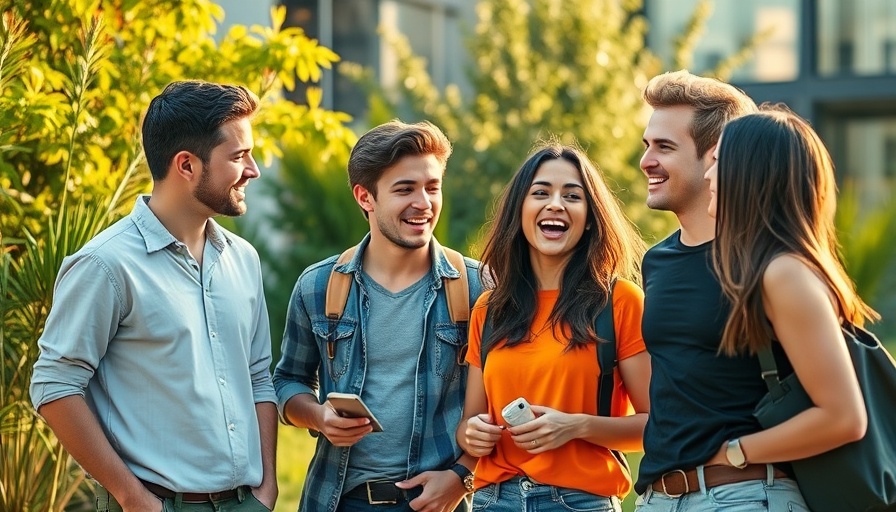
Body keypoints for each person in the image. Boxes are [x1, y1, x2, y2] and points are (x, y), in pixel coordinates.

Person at [30, 80, 278, 512]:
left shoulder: (244, 259)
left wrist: (267, 490)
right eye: (239, 156)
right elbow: (54, 386)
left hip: (247, 503)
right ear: (186, 165)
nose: (253, 169)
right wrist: (132, 497)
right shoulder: (106, 265)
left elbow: (258, 376)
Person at [273, 120, 483, 512]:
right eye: (405, 189)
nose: (424, 203)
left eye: (432, 187)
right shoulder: (317, 287)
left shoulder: (478, 288)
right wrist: (319, 417)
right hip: (337, 501)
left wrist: (461, 478)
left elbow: (501, 404)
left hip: (436, 502)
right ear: (365, 197)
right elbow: (287, 381)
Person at [634, 71, 809, 510]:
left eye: (665, 147)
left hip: (744, 494)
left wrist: (736, 452)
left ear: (715, 157)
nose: (646, 161)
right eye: (647, 145)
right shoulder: (656, 261)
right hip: (659, 498)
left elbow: (839, 411)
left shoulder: (767, 262)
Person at [458, 143, 651, 511]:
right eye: (541, 193)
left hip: (580, 501)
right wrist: (471, 434)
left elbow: (657, 427)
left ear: (590, 217)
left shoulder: (620, 301)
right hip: (492, 501)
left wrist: (576, 426)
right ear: (520, 210)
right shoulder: (490, 308)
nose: (556, 204)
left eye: (572, 196)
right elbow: (469, 424)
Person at [703, 104, 873, 495]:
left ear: (751, 174)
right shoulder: (777, 266)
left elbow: (844, 417)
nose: (709, 175)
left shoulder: (784, 273)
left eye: (719, 161)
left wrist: (732, 452)